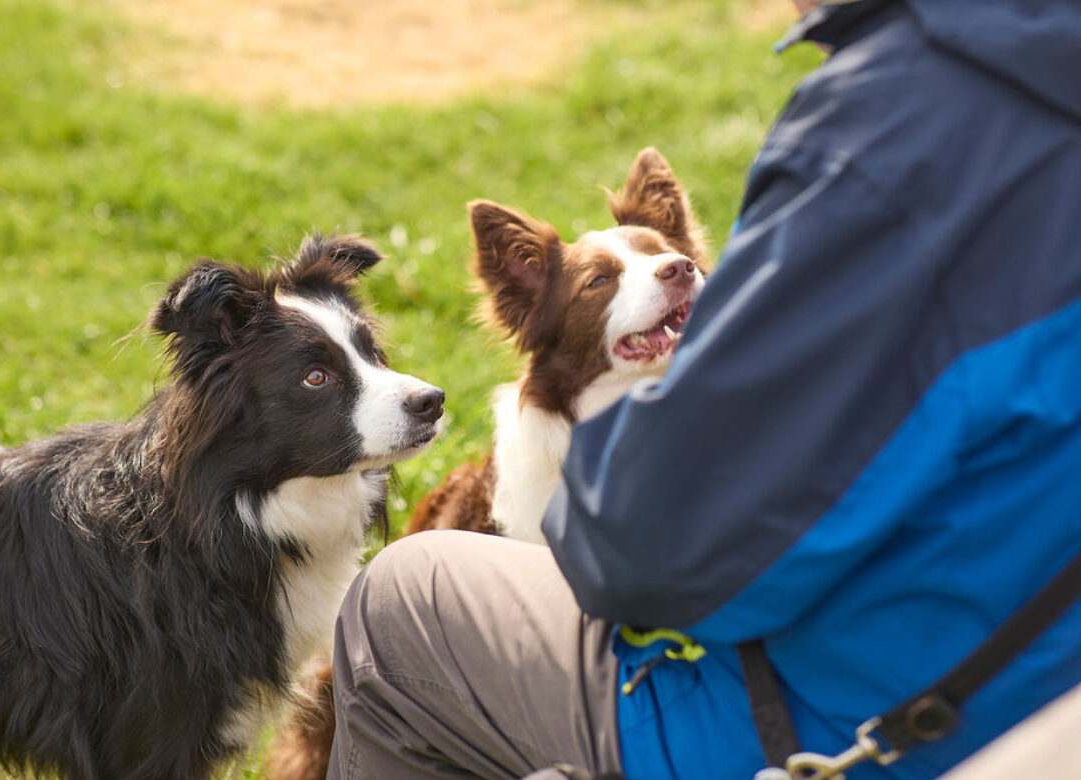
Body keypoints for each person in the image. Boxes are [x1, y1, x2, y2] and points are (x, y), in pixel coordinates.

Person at [326, 1, 1081, 778]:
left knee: (402, 599)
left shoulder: (897, 122)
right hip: (1035, 686)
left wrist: (627, 478)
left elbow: (663, 556)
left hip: (870, 722)